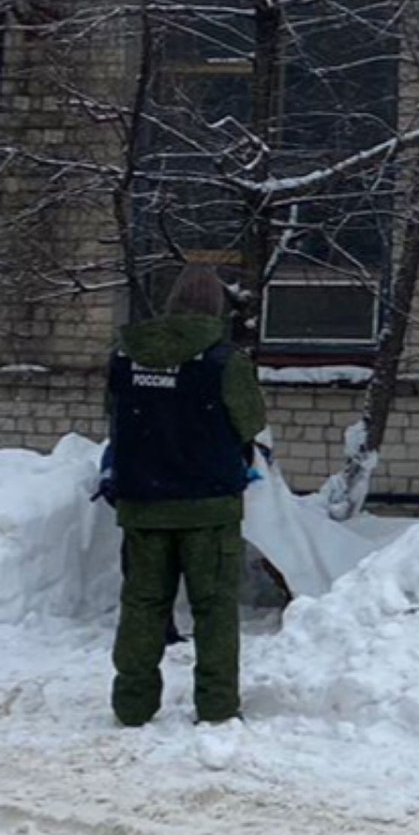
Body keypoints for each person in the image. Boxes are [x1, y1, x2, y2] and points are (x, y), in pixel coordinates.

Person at [105, 264, 266, 726]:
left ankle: (132, 704)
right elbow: (250, 421)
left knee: (142, 605)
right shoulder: (224, 361)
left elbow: (115, 419)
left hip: (142, 503)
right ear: (217, 307)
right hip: (209, 506)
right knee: (214, 609)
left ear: (171, 303)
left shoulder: (125, 355)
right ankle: (216, 706)